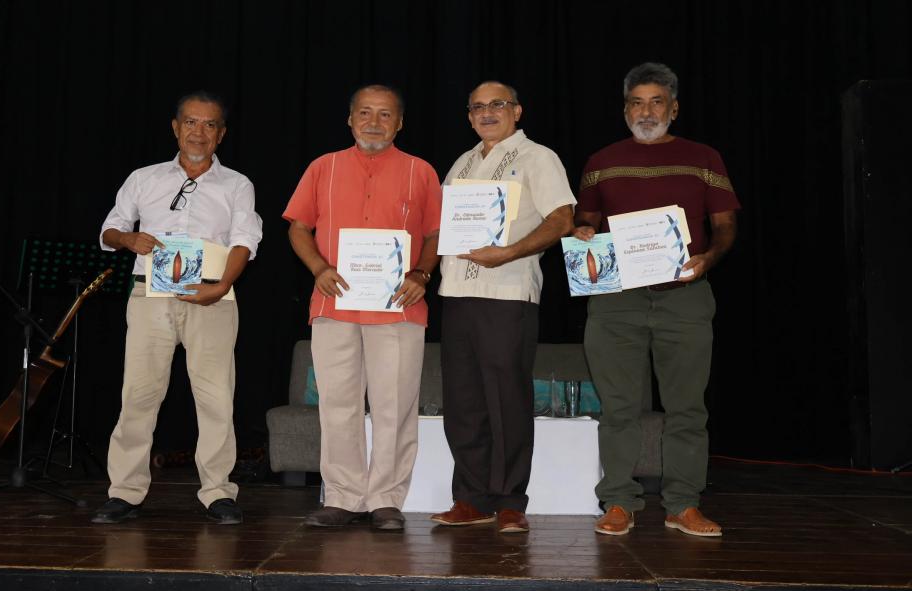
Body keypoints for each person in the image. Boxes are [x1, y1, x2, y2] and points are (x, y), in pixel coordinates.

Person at [574, 62, 739, 537]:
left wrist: (709, 257)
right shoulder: (600, 160)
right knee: (618, 406)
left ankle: (683, 503)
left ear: (674, 107)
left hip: (684, 296)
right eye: (637, 102)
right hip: (615, 300)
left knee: (687, 407)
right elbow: (586, 221)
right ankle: (619, 501)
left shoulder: (704, 157)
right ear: (625, 108)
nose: (646, 111)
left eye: (656, 101)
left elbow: (726, 225)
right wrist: (582, 231)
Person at [93, 91, 263, 525]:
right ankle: (126, 491)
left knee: (216, 397)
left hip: (212, 295)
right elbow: (111, 228)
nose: (199, 132)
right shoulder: (144, 177)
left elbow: (246, 240)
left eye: (209, 125)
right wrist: (129, 240)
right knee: (139, 394)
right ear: (175, 127)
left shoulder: (237, 184)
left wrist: (223, 285)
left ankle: (218, 492)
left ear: (221, 134)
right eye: (191, 122)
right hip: (150, 294)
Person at [283, 84, 442, 531]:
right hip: (334, 304)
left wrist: (422, 275)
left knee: (395, 406)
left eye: (385, 115)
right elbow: (298, 227)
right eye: (365, 113)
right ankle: (342, 497)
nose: (374, 123)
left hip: (398, 307)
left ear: (400, 123)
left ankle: (386, 499)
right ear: (350, 119)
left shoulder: (421, 172)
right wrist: (317, 267)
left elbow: (433, 236)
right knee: (338, 405)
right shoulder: (323, 168)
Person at [430, 81, 575, 533]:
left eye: (497, 105)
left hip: (508, 292)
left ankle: (511, 499)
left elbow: (562, 219)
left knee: (506, 398)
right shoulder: (462, 162)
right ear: (469, 116)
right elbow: (442, 228)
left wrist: (509, 253)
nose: (487, 113)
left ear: (517, 111)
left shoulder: (539, 158)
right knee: (463, 401)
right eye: (477, 107)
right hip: (456, 292)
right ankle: (471, 497)